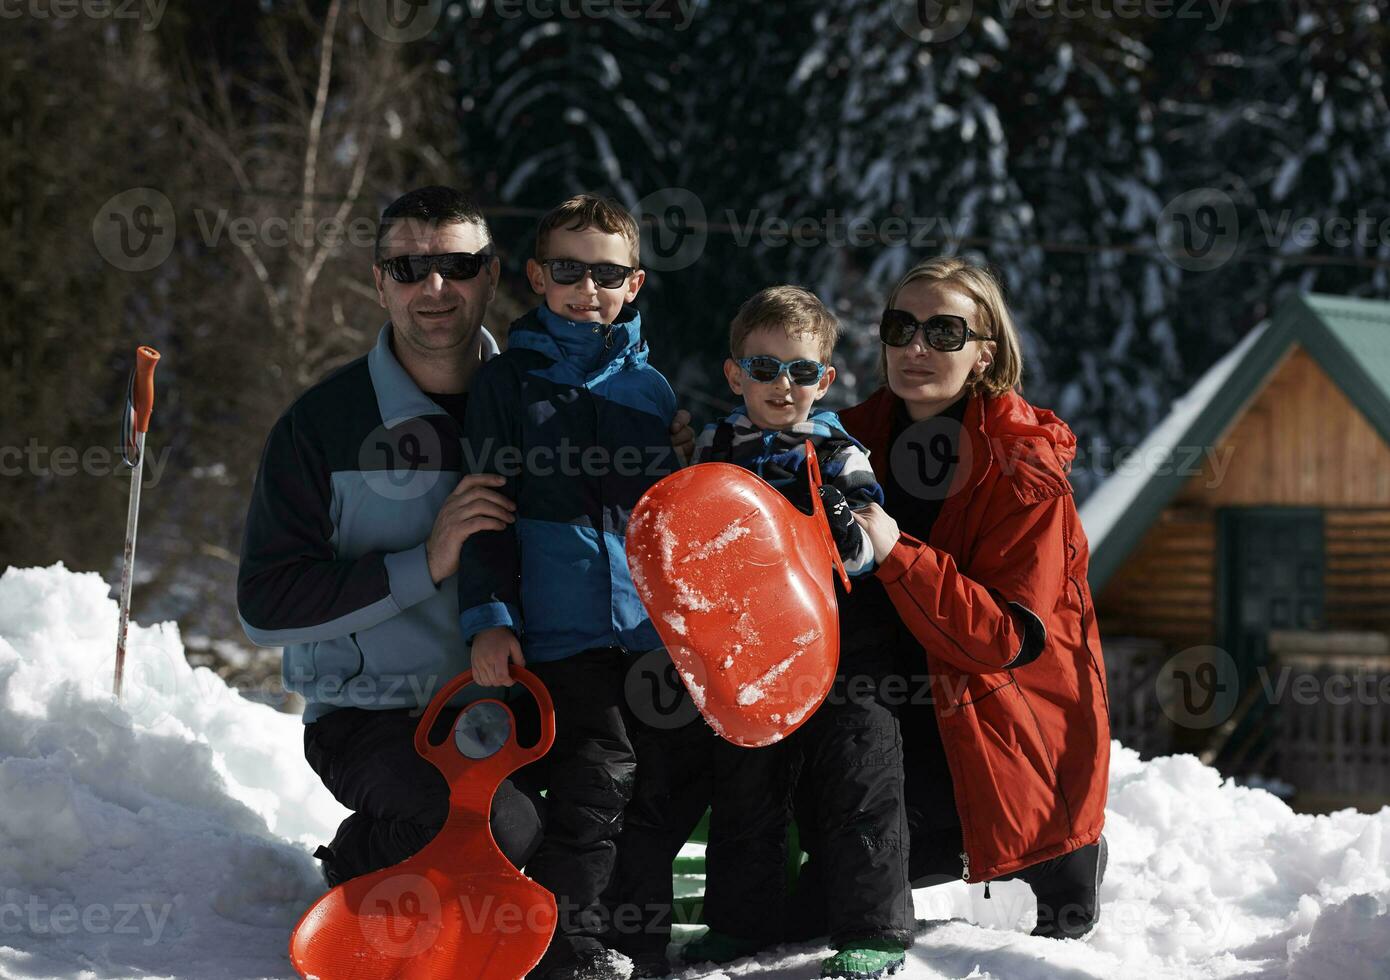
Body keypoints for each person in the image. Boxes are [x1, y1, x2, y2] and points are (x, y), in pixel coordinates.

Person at [236, 187, 693, 900]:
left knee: (626, 786)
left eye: (457, 263)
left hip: (526, 697)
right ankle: (364, 858)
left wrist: (663, 455)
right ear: (378, 280)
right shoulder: (323, 423)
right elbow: (265, 605)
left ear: (493, 274)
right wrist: (425, 563)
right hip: (380, 717)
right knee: (501, 838)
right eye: (409, 267)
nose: (435, 286)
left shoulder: (540, 393)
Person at [607, 287, 913, 980]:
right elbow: (686, 534)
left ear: (825, 380)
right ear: (734, 373)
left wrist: (846, 530)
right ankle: (740, 923)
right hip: (749, 654)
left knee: (861, 780)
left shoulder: (838, 450)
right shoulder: (716, 447)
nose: (784, 386)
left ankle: (875, 930)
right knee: (746, 787)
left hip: (844, 644)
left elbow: (871, 541)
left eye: (802, 372)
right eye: (766, 368)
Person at [821, 255, 1110, 944]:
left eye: (945, 333)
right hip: (884, 713)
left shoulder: (1025, 470)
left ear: (984, 355)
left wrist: (896, 550)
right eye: (902, 327)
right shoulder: (843, 441)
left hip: (1006, 726)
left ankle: (1061, 856)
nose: (917, 348)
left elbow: (1001, 639)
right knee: (805, 908)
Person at [456, 194, 684, 980]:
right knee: (597, 778)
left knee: (653, 783)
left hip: (648, 636)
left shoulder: (651, 392)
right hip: (559, 634)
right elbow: (485, 513)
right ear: (536, 276)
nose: (588, 287)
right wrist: (490, 617)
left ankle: (641, 940)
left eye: (607, 273)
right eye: (568, 270)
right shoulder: (508, 383)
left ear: (635, 284)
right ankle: (561, 943)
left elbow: (668, 520)